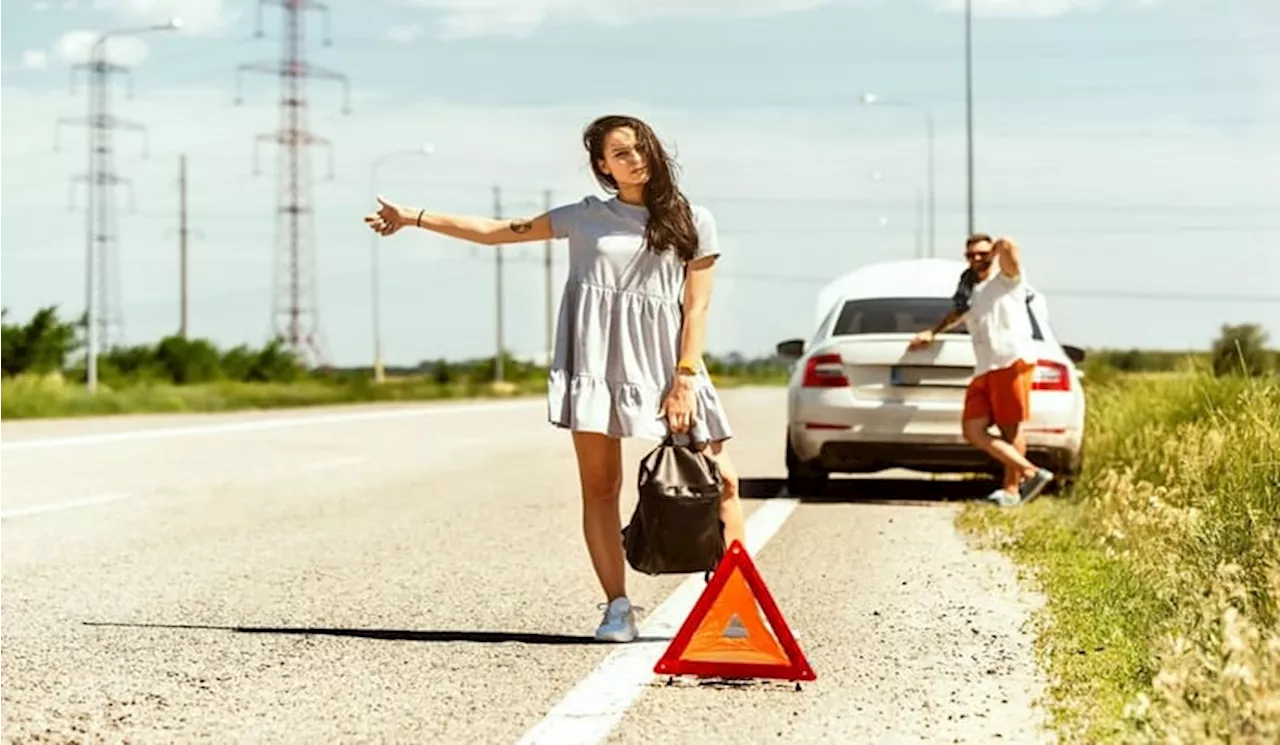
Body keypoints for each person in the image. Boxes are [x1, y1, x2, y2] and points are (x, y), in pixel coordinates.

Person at [362, 114, 744, 643]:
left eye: (640, 148)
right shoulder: (584, 218)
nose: (635, 159)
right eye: (620, 153)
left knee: (723, 481)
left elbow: (697, 308)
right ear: (602, 167)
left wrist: (683, 378)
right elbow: (497, 232)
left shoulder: (693, 219)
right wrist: (414, 217)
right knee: (600, 488)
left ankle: (732, 606)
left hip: (666, 365)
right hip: (595, 363)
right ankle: (617, 607)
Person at [908, 233, 1054, 506]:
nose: (977, 260)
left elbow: (1011, 247)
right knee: (973, 429)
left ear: (992, 255)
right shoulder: (970, 290)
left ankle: (1012, 491)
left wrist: (998, 248)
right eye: (971, 255)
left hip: (1011, 361)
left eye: (982, 254)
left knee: (1011, 429)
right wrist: (932, 332)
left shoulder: (1007, 280)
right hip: (985, 367)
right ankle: (1031, 472)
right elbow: (956, 314)